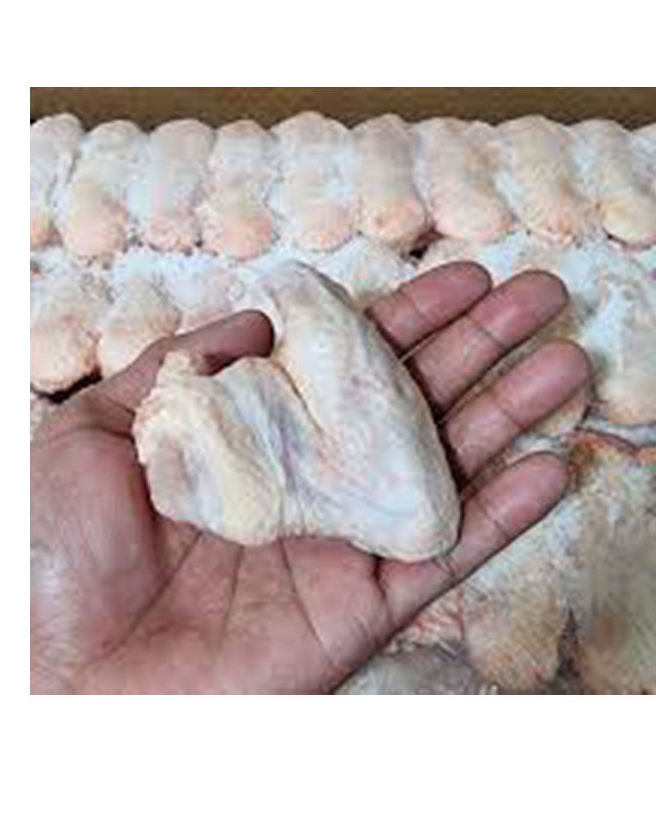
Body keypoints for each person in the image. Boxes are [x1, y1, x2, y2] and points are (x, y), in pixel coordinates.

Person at [31, 263, 591, 693]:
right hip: (307, 473)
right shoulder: (214, 472)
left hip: (340, 479)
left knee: (418, 522)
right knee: (417, 522)